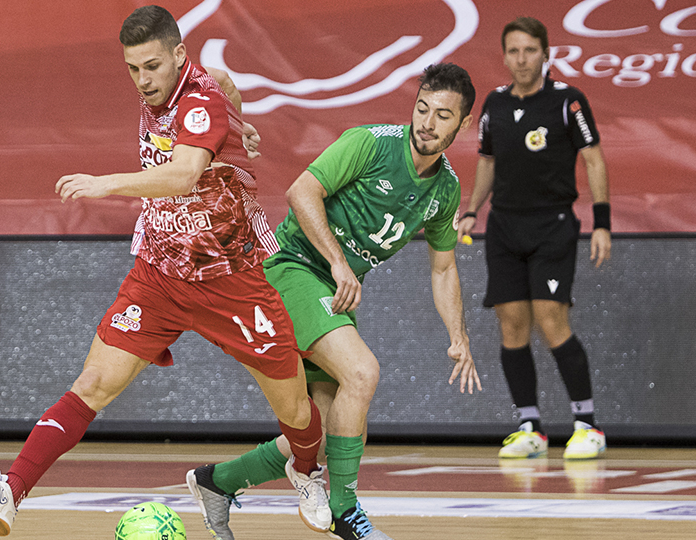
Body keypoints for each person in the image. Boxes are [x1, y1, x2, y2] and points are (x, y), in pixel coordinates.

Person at [0, 5, 327, 537]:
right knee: (93, 384)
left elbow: (184, 174)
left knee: (293, 403)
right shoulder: (199, 85)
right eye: (133, 68)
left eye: (152, 66)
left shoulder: (199, 102)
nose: (143, 80)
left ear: (179, 55)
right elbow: (226, 79)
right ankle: (10, 492)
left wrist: (106, 184)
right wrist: (243, 126)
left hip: (231, 278)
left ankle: (307, 472)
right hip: (159, 274)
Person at [187, 63, 483, 540]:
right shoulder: (370, 143)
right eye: (422, 108)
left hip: (336, 292)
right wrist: (339, 262)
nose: (427, 123)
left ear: (463, 123)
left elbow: (444, 266)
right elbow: (301, 191)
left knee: (321, 438)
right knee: (362, 373)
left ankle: (215, 483)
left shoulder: (445, 189)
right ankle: (346, 509)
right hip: (295, 268)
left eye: (443, 116)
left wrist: (458, 335)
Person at [456, 16, 611, 460]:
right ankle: (530, 426)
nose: (521, 60)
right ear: (503, 56)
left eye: (529, 50)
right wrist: (471, 212)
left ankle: (587, 424)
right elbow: (487, 161)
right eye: (513, 51)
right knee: (511, 324)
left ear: (546, 53)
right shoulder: (494, 104)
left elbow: (594, 160)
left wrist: (602, 222)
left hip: (553, 224)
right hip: (504, 226)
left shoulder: (568, 102)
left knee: (551, 318)